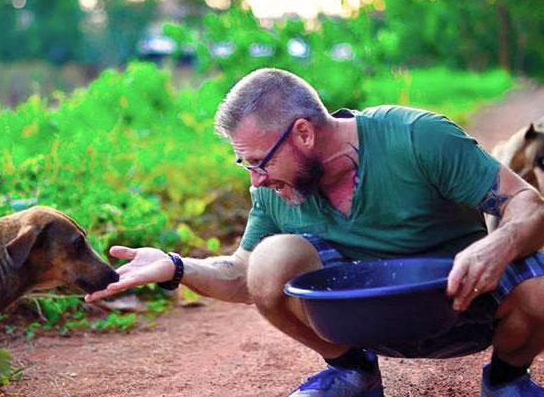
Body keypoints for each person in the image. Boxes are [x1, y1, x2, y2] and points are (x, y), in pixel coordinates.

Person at [86, 68, 544, 397]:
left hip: (463, 305)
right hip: (364, 325)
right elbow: (243, 272)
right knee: (270, 258)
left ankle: (507, 380)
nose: (255, 179)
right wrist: (177, 266)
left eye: (258, 161)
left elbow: (527, 204)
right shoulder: (276, 186)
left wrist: (496, 245)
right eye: (244, 164)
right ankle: (352, 374)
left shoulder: (416, 137)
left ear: (303, 133)